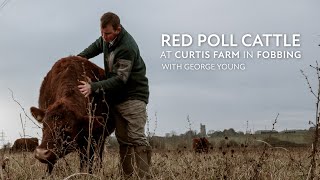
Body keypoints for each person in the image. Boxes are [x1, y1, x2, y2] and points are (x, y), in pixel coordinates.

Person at [77, 12, 151, 179]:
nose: (104, 37)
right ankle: (127, 176)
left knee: (137, 139)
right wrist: (80, 57)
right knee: (123, 140)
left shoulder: (127, 47)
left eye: (108, 33)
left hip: (133, 97)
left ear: (118, 30)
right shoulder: (106, 39)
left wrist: (93, 87)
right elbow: (97, 45)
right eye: (102, 33)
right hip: (117, 98)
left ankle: (145, 177)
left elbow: (120, 79)